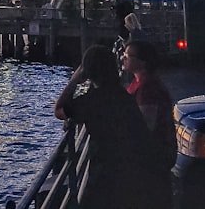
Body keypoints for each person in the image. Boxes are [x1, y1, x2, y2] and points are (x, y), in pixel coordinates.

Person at [55, 44, 160, 209]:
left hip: (107, 175)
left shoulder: (92, 101)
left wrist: (75, 79)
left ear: (88, 72)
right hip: (135, 172)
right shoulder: (124, 96)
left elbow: (59, 110)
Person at [121, 40, 176, 208]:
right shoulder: (140, 82)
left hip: (150, 161)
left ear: (142, 62)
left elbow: (146, 125)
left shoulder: (148, 88)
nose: (123, 58)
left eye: (127, 56)